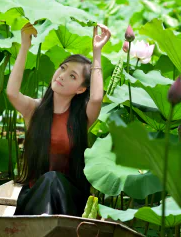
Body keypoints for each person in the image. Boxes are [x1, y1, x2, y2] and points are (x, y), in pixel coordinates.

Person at [6, 21, 111, 216]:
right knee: (48, 181)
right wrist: (24, 47)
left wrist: (97, 53)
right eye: (62, 68)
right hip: (35, 196)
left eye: (72, 76)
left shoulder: (81, 118)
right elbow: (12, 93)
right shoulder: (34, 110)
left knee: (53, 179)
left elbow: (96, 98)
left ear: (81, 89)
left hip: (69, 200)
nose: (61, 75)